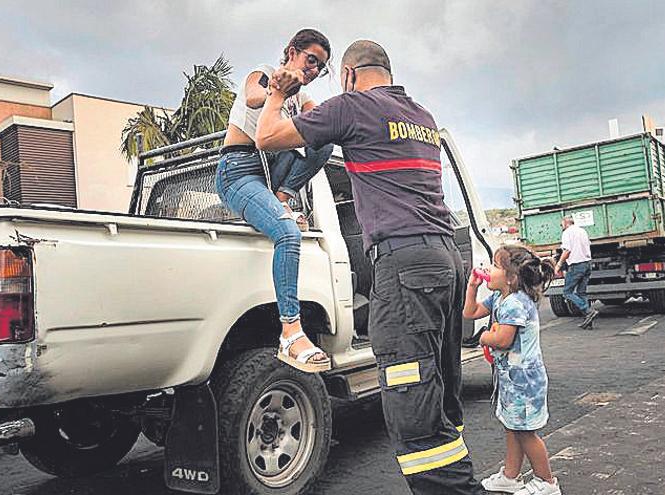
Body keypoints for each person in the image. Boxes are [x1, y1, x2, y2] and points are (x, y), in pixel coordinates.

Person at [255, 40, 481, 494]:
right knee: (439, 394)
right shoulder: (421, 117)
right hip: (445, 259)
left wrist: (279, 94)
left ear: (348, 74)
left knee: (412, 401)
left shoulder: (352, 106)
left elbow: (266, 138)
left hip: (405, 266)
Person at [215, 28, 334, 373]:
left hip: (271, 169)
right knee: (287, 233)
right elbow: (253, 97)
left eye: (320, 67)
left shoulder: (300, 97)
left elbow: (321, 123)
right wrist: (277, 87)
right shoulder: (265, 72)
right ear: (292, 52)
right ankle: (290, 331)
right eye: (310, 60)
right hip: (239, 170)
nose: (312, 70)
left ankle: (282, 198)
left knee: (321, 142)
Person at [462, 244, 561, 495]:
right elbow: (470, 312)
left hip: (525, 380)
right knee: (512, 426)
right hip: (510, 377)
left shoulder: (516, 303)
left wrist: (484, 337)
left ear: (512, 277)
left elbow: (503, 340)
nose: (489, 269)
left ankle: (546, 482)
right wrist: (472, 287)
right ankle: (510, 476)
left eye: (496, 266)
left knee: (526, 432)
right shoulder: (499, 297)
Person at [554, 216, 597, 328]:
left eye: (561, 224)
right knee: (581, 292)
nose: (561, 226)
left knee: (567, 292)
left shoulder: (567, 233)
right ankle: (588, 321)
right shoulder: (582, 231)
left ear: (565, 223)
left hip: (576, 265)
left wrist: (558, 264)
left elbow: (567, 250)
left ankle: (587, 311)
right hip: (587, 263)